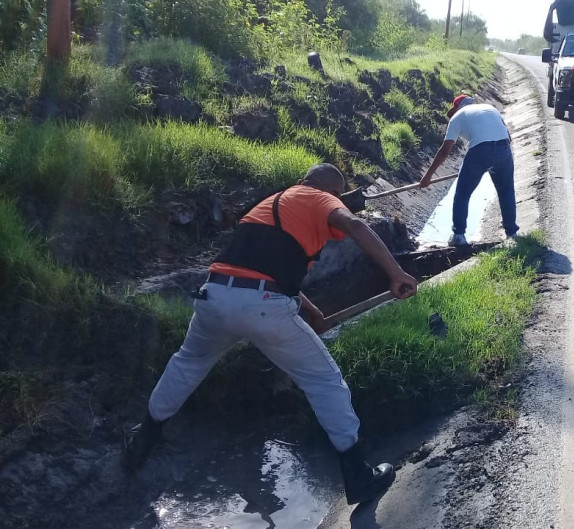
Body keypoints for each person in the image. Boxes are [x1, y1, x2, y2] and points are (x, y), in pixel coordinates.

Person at [123, 163, 418, 505]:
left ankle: (140, 445)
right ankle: (358, 475)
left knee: (187, 364)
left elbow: (264, 269)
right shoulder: (319, 198)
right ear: (331, 193)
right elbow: (353, 224)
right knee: (324, 379)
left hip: (214, 296)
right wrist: (396, 273)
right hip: (261, 305)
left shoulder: (271, 205)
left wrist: (313, 311)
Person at [419, 94, 519, 246]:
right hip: (503, 148)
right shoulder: (490, 108)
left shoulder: (457, 117)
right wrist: (492, 161)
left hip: (479, 151)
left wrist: (427, 176)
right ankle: (512, 233)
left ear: (458, 108)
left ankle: (459, 235)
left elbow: (445, 150)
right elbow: (508, 137)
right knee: (506, 192)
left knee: (462, 194)